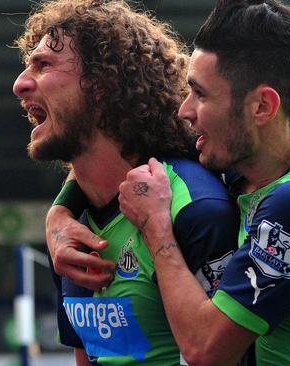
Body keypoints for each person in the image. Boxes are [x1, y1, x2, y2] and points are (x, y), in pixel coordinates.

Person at [116, 1, 290, 364]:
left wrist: (154, 225)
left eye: (201, 94)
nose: (184, 110)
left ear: (262, 107)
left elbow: (205, 350)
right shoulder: (272, 169)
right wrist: (60, 215)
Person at [13, 1, 240, 364]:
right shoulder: (69, 231)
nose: (20, 84)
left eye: (43, 65)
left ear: (101, 85)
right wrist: (58, 212)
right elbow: (87, 355)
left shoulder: (195, 208)